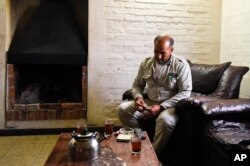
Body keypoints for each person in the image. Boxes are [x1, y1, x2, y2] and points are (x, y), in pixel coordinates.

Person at [117, 34, 192, 156]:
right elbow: (137, 85)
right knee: (122, 109)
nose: (158, 56)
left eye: (162, 53)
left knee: (165, 120)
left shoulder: (181, 65)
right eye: (156, 51)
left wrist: (161, 107)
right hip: (150, 102)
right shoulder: (146, 63)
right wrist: (138, 98)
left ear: (171, 50)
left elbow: (185, 92)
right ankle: (141, 141)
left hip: (171, 106)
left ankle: (152, 155)